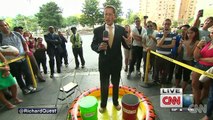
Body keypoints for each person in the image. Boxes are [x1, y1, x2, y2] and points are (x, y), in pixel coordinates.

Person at [91, 5, 129, 113]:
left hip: (116, 63)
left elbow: (126, 46)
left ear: (114, 16)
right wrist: (98, 47)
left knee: (116, 84)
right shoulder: (98, 30)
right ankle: (103, 104)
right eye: (105, 14)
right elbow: (93, 45)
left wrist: (129, 43)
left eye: (110, 14)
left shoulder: (121, 30)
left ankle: (115, 102)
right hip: (104, 64)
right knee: (104, 85)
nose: (107, 17)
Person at [0, 20, 36, 95]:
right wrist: (11, 53)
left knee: (28, 73)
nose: (4, 27)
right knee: (18, 75)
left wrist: (26, 50)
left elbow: (24, 43)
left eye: (5, 25)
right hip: (11, 61)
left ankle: (29, 85)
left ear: (8, 25)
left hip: (23, 57)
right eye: (1, 26)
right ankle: (23, 88)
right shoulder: (0, 37)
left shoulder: (17, 34)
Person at [192, 26, 213, 105]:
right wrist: (198, 46)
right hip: (199, 66)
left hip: (210, 68)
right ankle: (197, 102)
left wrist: (201, 59)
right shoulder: (208, 43)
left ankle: (200, 100)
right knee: (194, 84)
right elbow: (195, 56)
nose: (212, 34)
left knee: (206, 87)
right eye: (211, 33)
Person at [175, 27, 199, 92]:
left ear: (196, 33)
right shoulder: (184, 40)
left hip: (189, 61)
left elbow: (190, 54)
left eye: (191, 33)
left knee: (186, 76)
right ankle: (176, 86)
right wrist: (180, 44)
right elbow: (178, 51)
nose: (189, 34)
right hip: (180, 59)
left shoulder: (197, 42)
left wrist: (186, 45)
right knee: (177, 73)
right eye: (188, 33)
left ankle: (182, 90)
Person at [153, 19, 176, 87]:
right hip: (158, 55)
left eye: (168, 24)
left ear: (170, 25)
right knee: (156, 69)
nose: (166, 25)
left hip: (168, 55)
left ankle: (163, 82)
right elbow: (158, 44)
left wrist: (161, 45)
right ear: (163, 24)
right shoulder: (158, 34)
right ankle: (155, 81)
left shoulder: (173, 34)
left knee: (166, 71)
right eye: (165, 24)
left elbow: (172, 45)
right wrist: (164, 36)